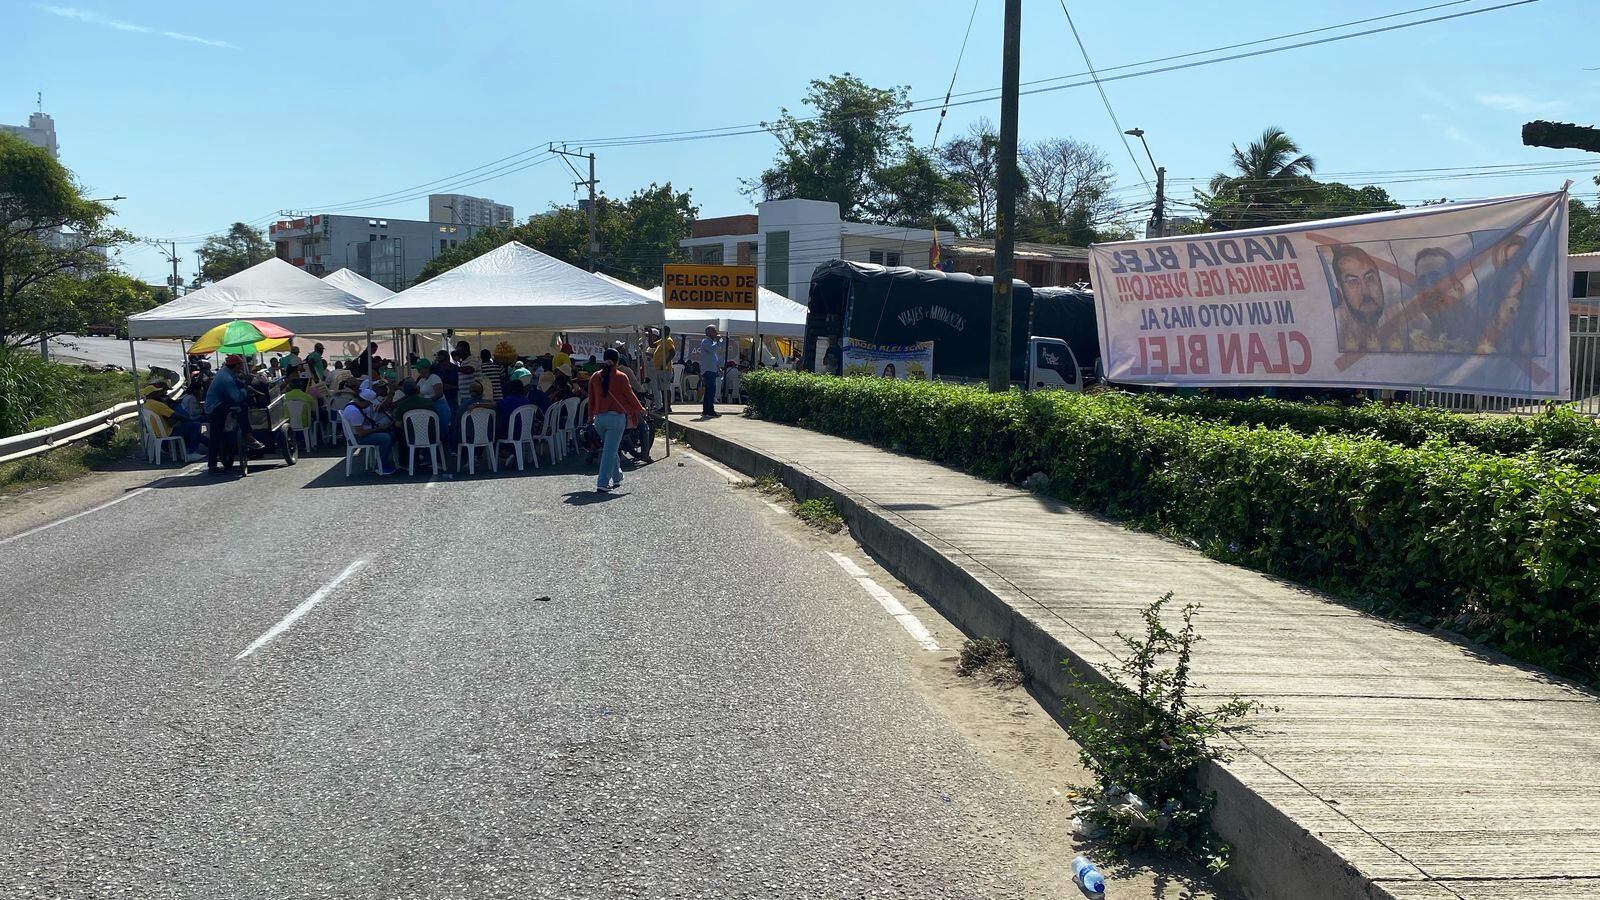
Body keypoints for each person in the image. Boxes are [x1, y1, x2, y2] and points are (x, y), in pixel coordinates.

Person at [588, 347, 646, 493]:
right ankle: (602, 482)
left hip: (599, 419)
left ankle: (617, 476)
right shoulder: (621, 376)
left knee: (610, 448)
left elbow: (591, 400)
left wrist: (590, 417)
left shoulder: (595, 376)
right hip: (616, 419)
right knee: (609, 450)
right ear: (618, 361)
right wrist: (640, 409)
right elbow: (630, 395)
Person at [204, 354, 250, 474]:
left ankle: (213, 464)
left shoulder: (227, 372)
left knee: (217, 436)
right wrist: (245, 390)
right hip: (215, 407)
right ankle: (248, 434)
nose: (242, 367)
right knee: (242, 407)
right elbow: (237, 397)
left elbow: (237, 382)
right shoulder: (226, 378)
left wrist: (244, 382)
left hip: (220, 403)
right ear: (236, 365)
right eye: (240, 365)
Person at [142, 381, 206, 461]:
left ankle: (210, 445)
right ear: (152, 394)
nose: (161, 393)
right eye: (158, 392)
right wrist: (188, 420)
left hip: (157, 435)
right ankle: (191, 452)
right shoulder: (158, 404)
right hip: (167, 434)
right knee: (195, 425)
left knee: (190, 427)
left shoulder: (146, 405)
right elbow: (175, 415)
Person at [341, 389, 398, 475]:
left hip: (357, 434)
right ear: (365, 401)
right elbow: (361, 433)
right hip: (357, 438)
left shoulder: (354, 405)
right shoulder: (354, 411)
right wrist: (379, 429)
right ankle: (381, 466)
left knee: (391, 435)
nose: (369, 406)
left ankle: (384, 460)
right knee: (386, 438)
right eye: (369, 403)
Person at [697, 324, 722, 418]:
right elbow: (711, 350)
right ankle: (709, 410)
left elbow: (713, 357)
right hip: (708, 370)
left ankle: (706, 410)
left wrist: (718, 367)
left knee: (710, 391)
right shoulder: (706, 341)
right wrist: (717, 342)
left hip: (712, 369)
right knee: (710, 391)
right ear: (708, 332)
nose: (716, 333)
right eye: (714, 331)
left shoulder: (711, 342)